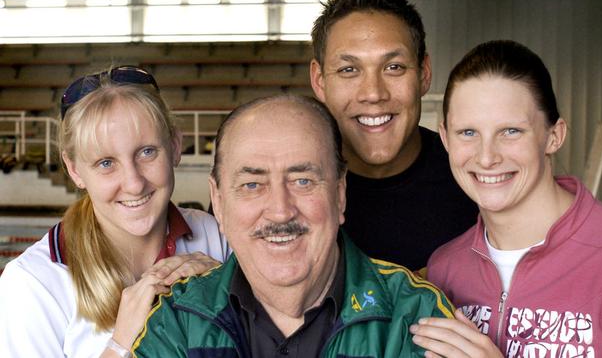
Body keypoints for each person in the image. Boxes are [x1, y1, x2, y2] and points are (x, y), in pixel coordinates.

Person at [132, 94, 455, 357]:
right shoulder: (177, 321)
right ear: (217, 201)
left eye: (303, 180)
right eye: (252, 185)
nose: (280, 211)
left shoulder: (414, 315)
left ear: (340, 193)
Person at [410, 40, 602, 357]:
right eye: (468, 132)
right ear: (445, 138)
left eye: (510, 131)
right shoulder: (444, 270)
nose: (486, 157)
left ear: (554, 135)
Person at [0, 66, 230, 358]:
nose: (134, 184)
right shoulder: (34, 283)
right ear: (74, 170)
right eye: (106, 163)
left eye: (147, 152)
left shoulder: (216, 237)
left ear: (174, 145)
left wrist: (227, 286)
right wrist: (121, 345)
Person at [310, 0, 477, 271]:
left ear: (423, 73)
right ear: (319, 80)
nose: (373, 93)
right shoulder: (289, 191)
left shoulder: (478, 179)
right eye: (349, 69)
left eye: (394, 67)